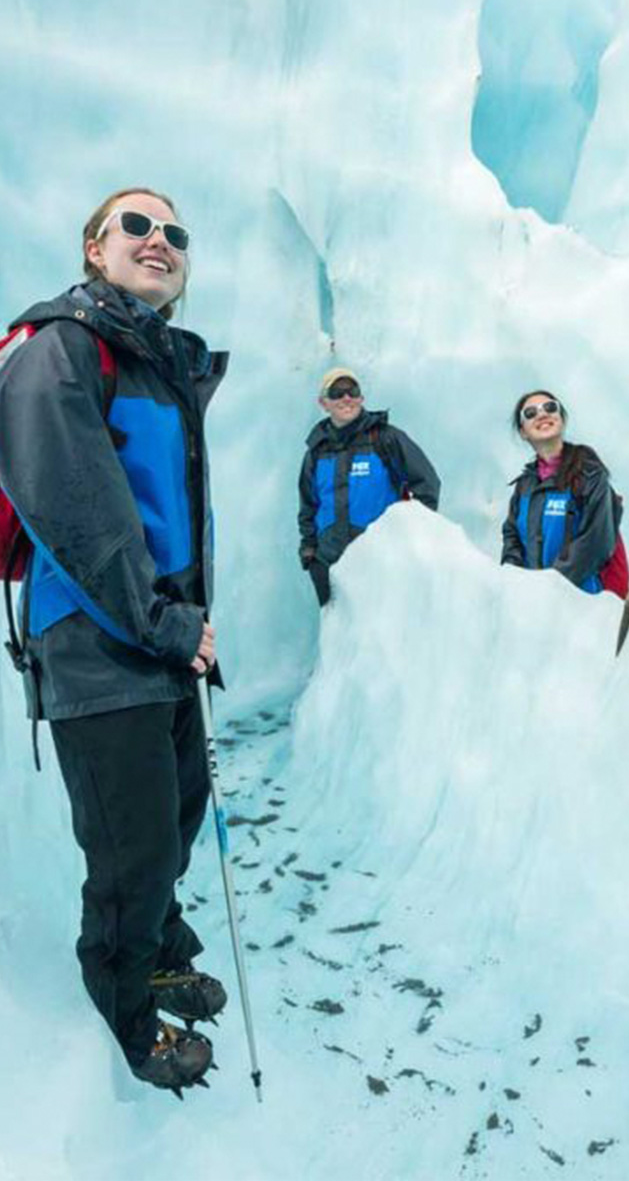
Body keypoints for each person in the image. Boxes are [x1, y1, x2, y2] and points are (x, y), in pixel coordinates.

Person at [0, 188, 228, 1095]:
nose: (158, 240)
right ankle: (127, 1012)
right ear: (95, 247)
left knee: (173, 820)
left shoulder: (154, 362)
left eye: (175, 232)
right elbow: (80, 512)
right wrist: (166, 624)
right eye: (135, 224)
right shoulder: (61, 346)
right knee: (131, 851)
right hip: (99, 645)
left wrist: (189, 630)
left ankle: (159, 950)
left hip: (159, 642)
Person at [297, 367, 441, 604]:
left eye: (352, 391)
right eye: (337, 392)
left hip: (382, 565)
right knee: (339, 638)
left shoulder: (385, 439)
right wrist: (310, 553)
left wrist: (413, 536)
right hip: (329, 565)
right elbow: (308, 506)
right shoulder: (316, 453)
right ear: (323, 403)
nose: (346, 398)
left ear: (361, 399)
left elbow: (427, 484)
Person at [501, 390, 629, 596]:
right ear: (523, 431)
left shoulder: (590, 476)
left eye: (550, 407)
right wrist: (514, 580)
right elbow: (512, 536)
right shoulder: (524, 487)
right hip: (535, 605)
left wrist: (552, 586)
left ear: (561, 418)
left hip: (581, 606)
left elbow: (597, 542)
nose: (542, 414)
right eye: (531, 413)